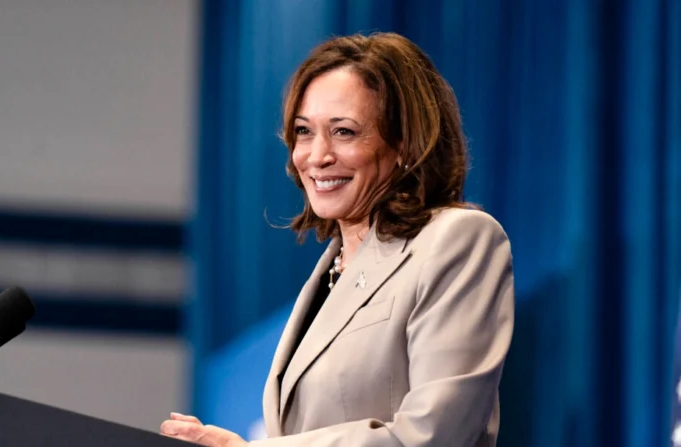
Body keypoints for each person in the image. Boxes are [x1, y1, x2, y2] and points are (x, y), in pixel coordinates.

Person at [161, 32, 515, 447]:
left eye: (344, 132)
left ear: (404, 143)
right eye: (304, 131)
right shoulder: (332, 268)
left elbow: (434, 434)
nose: (317, 155)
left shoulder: (458, 240)